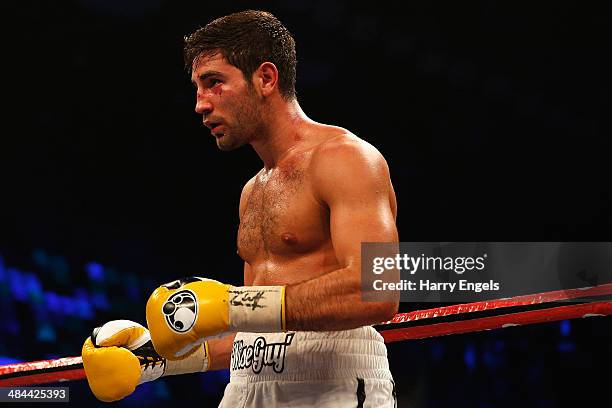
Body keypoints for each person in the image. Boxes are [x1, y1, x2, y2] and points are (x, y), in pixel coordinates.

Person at [82, 10, 399, 407]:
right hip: (247, 385)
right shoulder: (252, 191)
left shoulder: (345, 159)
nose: (200, 104)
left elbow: (378, 290)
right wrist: (156, 361)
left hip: (331, 380)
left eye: (214, 83)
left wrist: (231, 305)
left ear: (266, 78)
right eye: (197, 88)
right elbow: (253, 329)